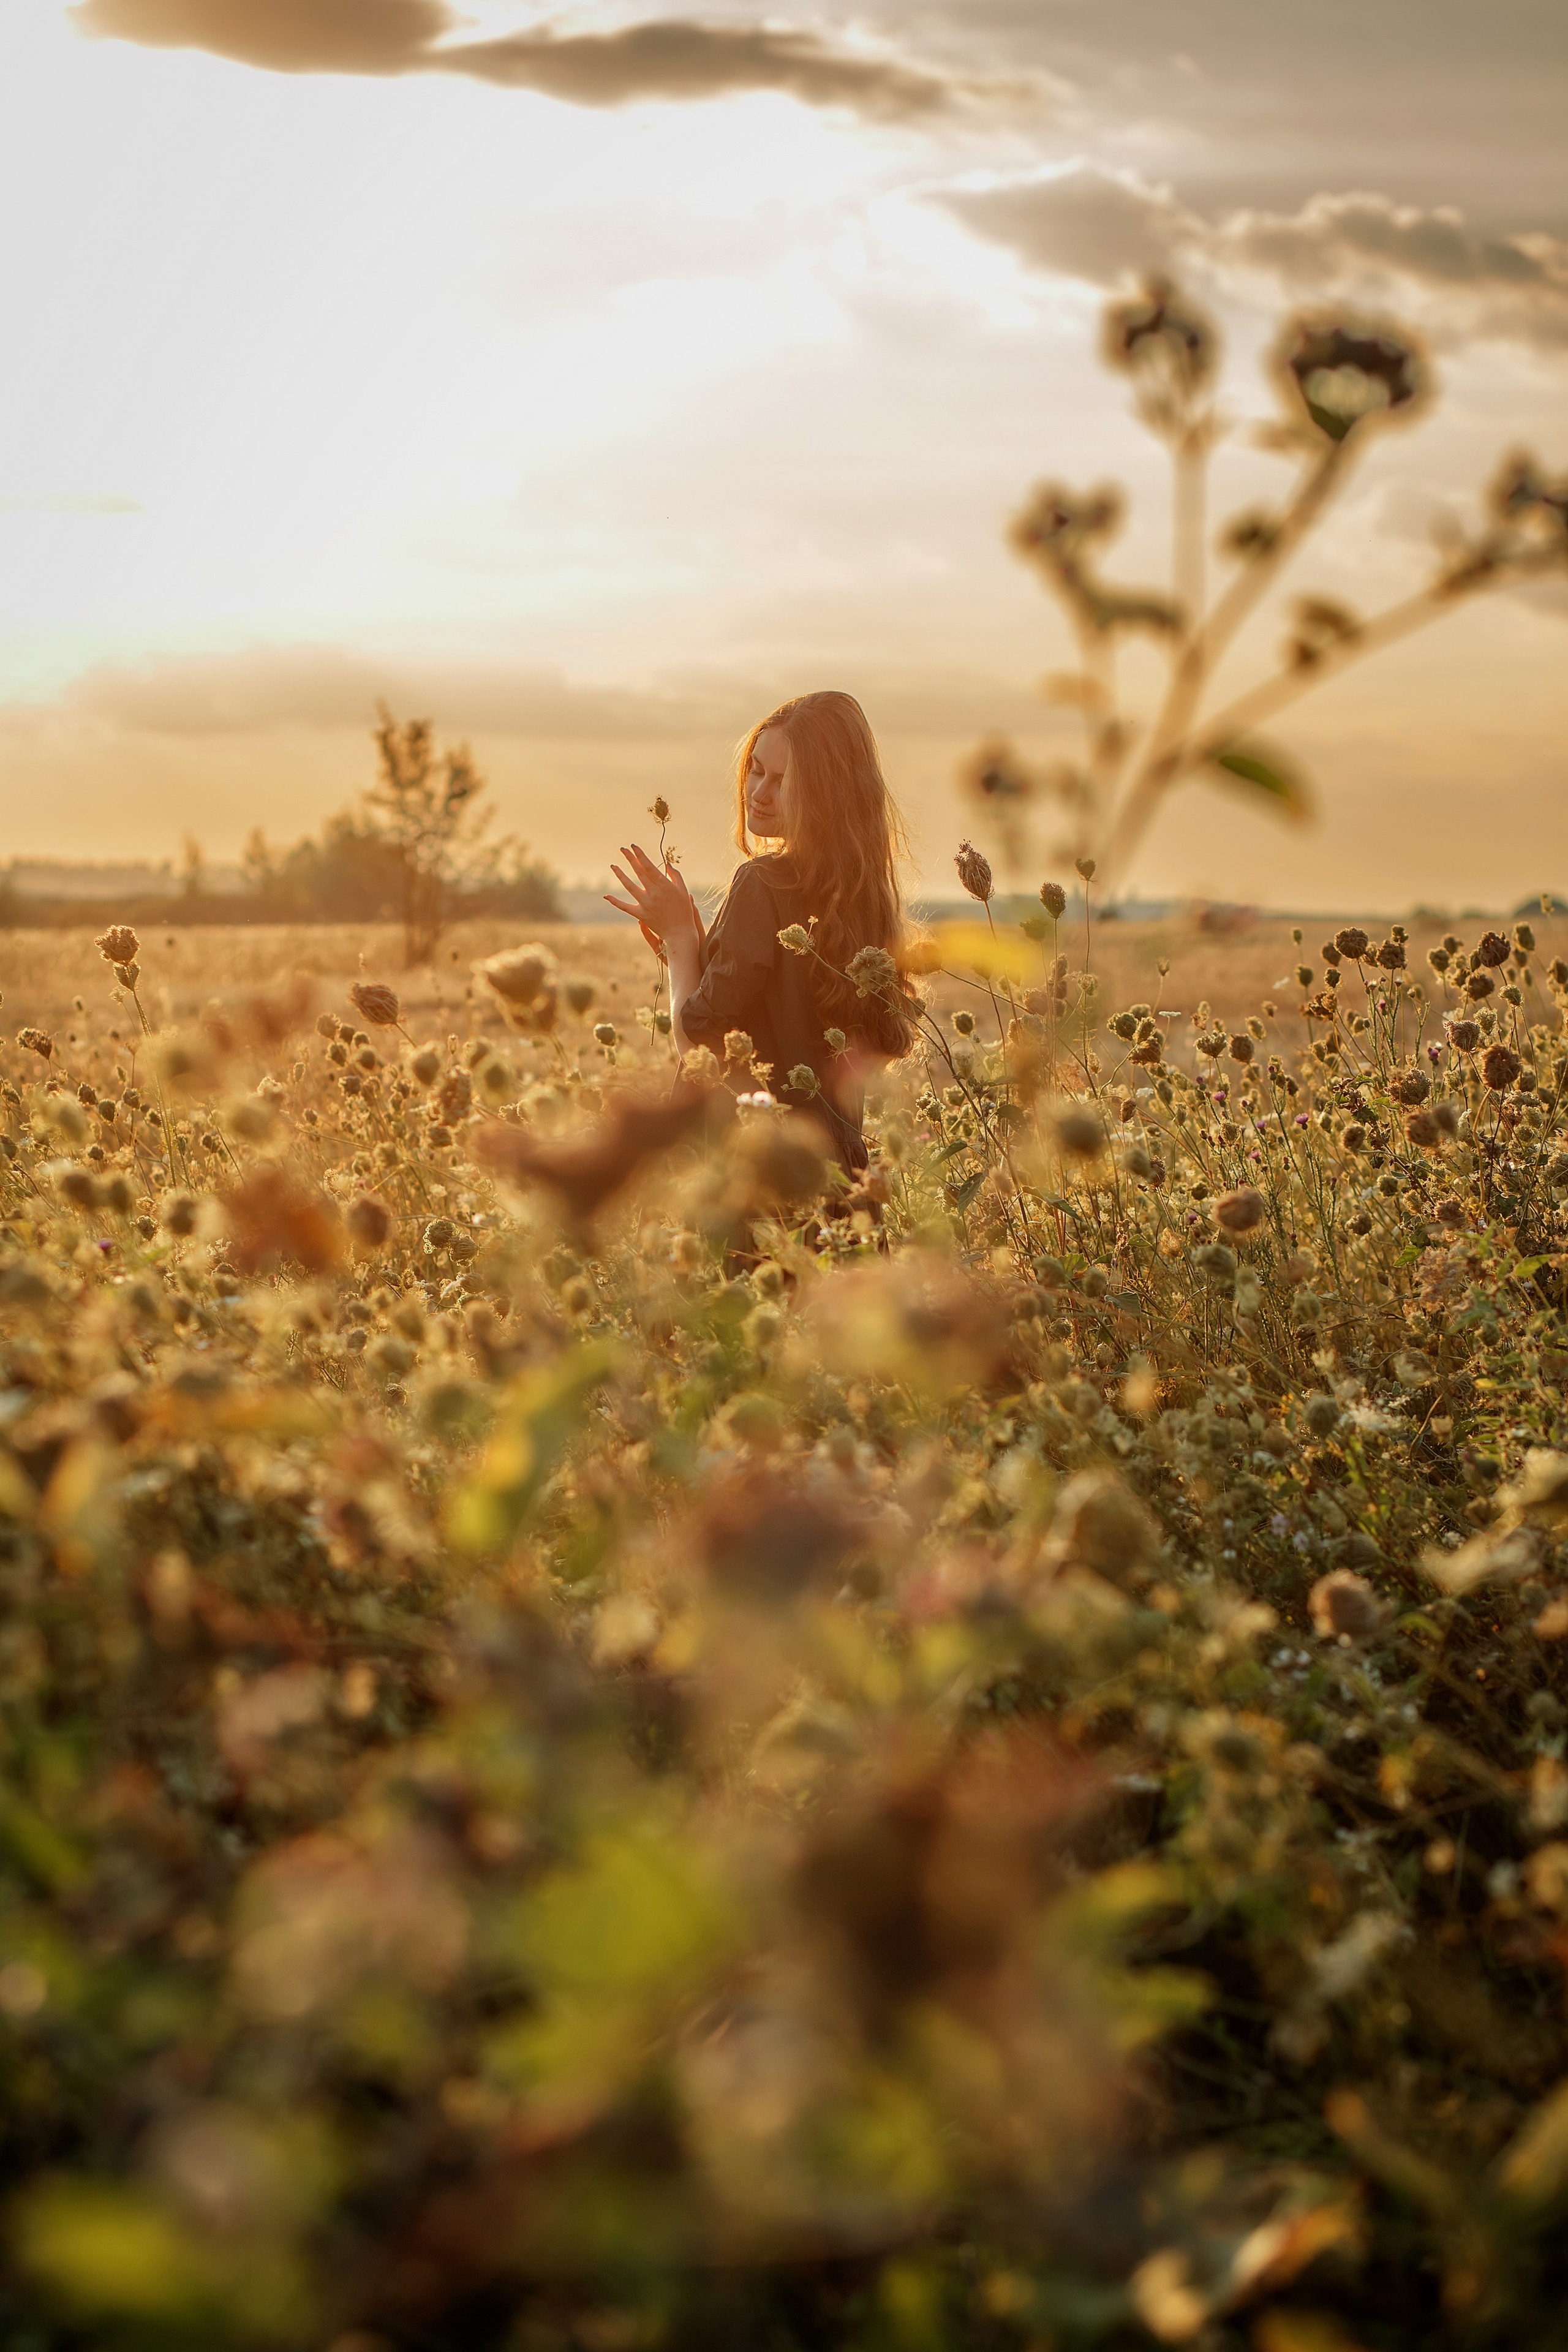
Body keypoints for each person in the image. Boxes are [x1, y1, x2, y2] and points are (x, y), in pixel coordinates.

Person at [605, 690, 919, 1170]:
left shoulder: (762, 883)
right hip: (841, 1176)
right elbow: (783, 1023)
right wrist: (705, 951)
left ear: (825, 795)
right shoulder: (866, 901)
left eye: (783, 781)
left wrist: (681, 939)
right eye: (755, 770)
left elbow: (700, 1051)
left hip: (760, 1175)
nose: (758, 792)